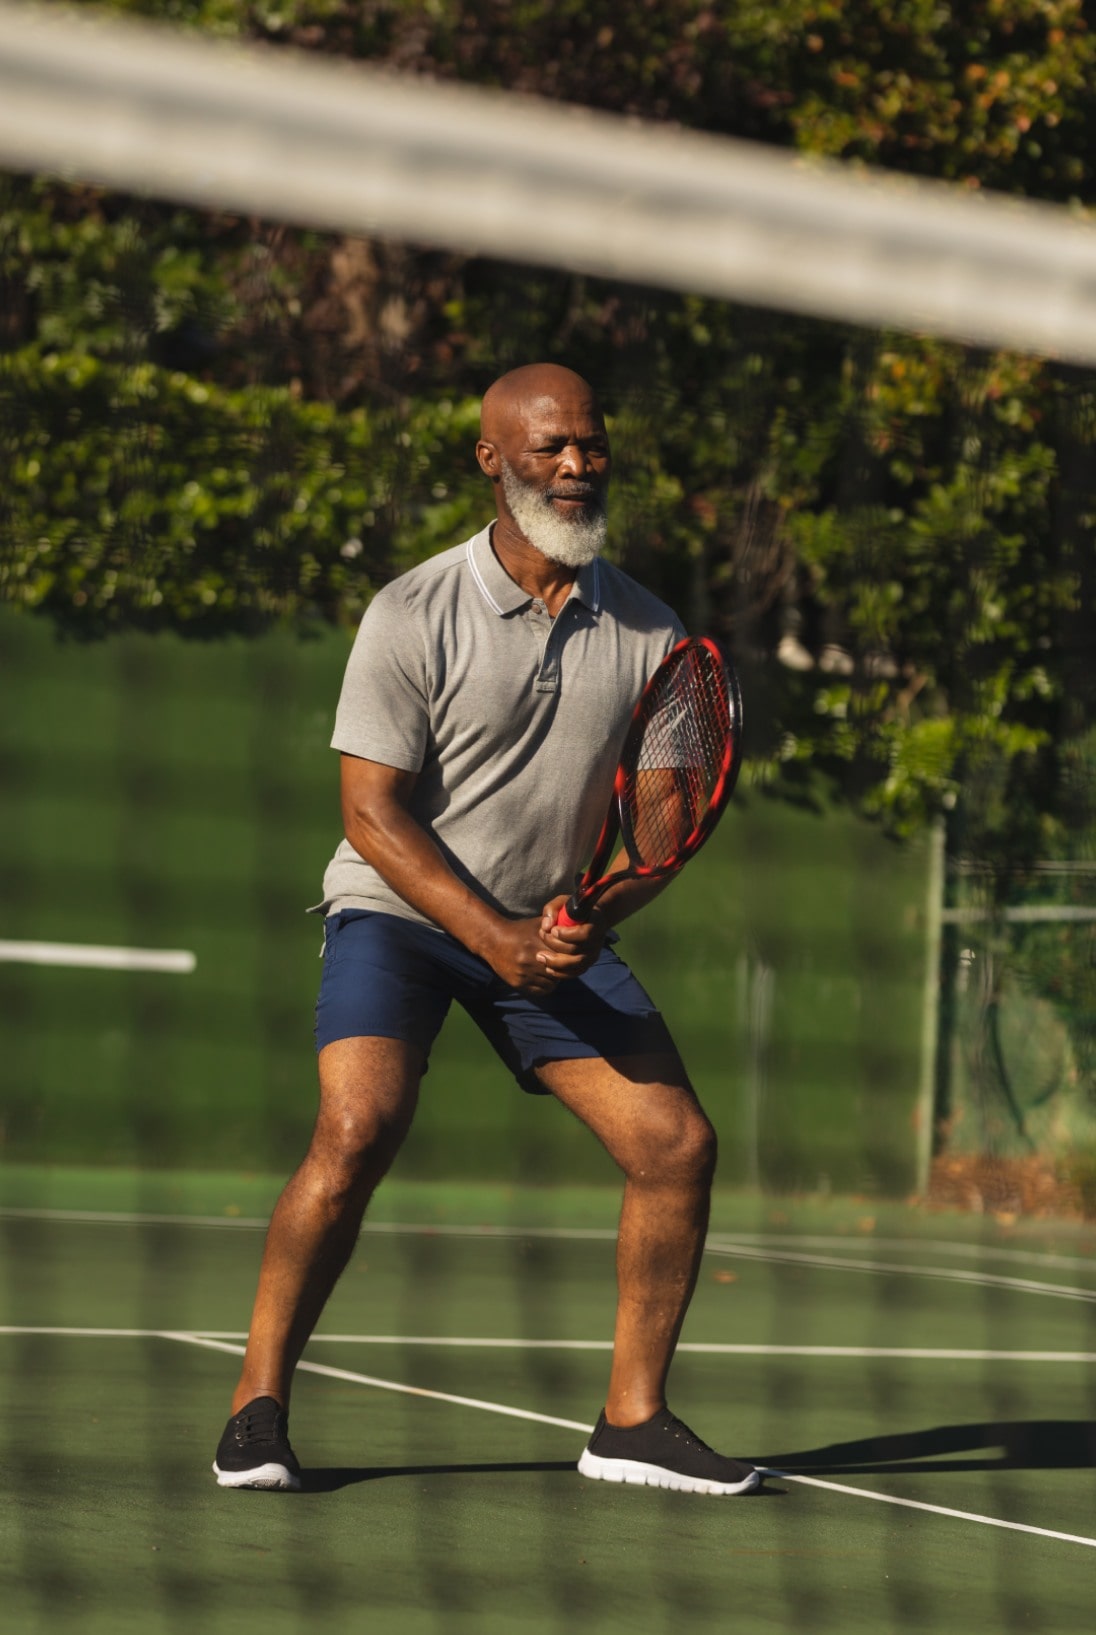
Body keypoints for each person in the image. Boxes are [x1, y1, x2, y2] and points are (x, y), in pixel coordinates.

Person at [212, 363, 759, 1498]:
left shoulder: (650, 629)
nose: (575, 466)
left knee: (677, 1146)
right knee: (358, 1125)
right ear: (493, 459)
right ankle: (256, 1407)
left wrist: (584, 915)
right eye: (551, 446)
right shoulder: (411, 610)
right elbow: (370, 811)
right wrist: (494, 933)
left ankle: (630, 1421)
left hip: (542, 935)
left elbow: (660, 823)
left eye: (590, 446)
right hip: (398, 911)